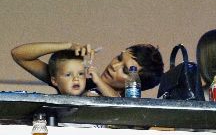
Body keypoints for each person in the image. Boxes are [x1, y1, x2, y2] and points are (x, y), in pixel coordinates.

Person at [11, 42, 164, 97]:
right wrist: (67, 46)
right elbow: (19, 55)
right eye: (118, 58)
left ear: (135, 84)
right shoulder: (75, 84)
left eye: (124, 70)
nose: (113, 66)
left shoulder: (131, 109)